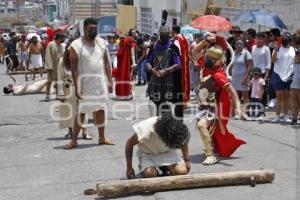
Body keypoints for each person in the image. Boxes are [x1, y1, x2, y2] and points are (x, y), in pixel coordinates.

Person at [191, 33, 246, 165]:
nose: (208, 59)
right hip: (204, 105)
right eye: (207, 56)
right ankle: (213, 149)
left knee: (201, 125)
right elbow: (194, 52)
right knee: (207, 130)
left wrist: (238, 107)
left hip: (214, 108)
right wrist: (206, 40)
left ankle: (211, 155)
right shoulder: (207, 65)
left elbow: (232, 92)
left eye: (211, 58)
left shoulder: (219, 75)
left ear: (220, 61)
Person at [65, 18, 114, 149]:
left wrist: (110, 81)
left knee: (101, 109)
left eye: (95, 28)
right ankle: (74, 140)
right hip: (84, 84)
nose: (93, 31)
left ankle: (102, 138)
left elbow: (107, 64)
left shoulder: (102, 43)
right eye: (90, 28)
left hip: (99, 83)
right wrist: (77, 87)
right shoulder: (76, 45)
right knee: (81, 112)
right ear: (84, 29)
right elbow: (74, 69)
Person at [125, 113, 190, 179]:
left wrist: (187, 160)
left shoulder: (175, 127)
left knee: (182, 172)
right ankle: (151, 169)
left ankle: (166, 166)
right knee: (150, 174)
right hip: (148, 153)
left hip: (167, 152)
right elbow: (129, 144)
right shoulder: (146, 129)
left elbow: (183, 142)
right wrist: (129, 167)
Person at [56, 39, 92, 140]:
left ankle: (85, 131)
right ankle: (70, 131)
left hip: (80, 87)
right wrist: (61, 93)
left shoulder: (81, 60)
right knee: (68, 111)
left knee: (82, 110)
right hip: (68, 88)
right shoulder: (62, 61)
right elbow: (59, 78)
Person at [146, 26, 182, 118]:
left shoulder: (173, 47)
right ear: (159, 35)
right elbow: (148, 62)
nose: (164, 37)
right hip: (154, 81)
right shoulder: (154, 47)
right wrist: (152, 70)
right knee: (154, 103)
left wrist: (165, 71)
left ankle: (165, 124)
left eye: (166, 35)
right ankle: (156, 123)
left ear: (169, 35)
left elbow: (178, 64)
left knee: (165, 104)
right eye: (162, 35)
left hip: (167, 81)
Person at [271, 32, 295, 123]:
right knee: (279, 96)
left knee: (287, 96)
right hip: (278, 74)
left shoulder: (293, 49)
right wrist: (276, 48)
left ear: (290, 41)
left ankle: (286, 115)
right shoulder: (277, 49)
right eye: (284, 40)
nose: (285, 42)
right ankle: (277, 115)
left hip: (289, 75)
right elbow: (273, 60)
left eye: (287, 40)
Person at [230, 39, 252, 119]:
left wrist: (246, 77)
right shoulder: (234, 53)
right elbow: (231, 65)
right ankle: (234, 113)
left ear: (243, 45)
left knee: (245, 97)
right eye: (237, 44)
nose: (239, 45)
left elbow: (250, 66)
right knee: (234, 96)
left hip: (243, 77)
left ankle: (245, 113)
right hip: (234, 78)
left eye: (240, 44)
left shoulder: (246, 53)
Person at [251, 32, 272, 116]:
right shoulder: (253, 48)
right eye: (257, 38)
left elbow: (268, 62)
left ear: (264, 39)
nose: (258, 40)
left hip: (262, 73)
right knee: (253, 93)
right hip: (254, 73)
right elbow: (251, 61)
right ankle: (253, 111)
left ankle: (262, 112)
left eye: (260, 38)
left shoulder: (266, 49)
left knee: (262, 93)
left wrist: (266, 75)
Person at [115, 29, 137, 100]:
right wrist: (133, 63)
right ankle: (130, 93)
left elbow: (119, 51)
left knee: (122, 76)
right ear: (133, 34)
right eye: (135, 33)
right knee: (131, 77)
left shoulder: (123, 40)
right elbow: (132, 52)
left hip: (122, 62)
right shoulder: (131, 41)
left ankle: (122, 94)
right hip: (129, 61)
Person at [172, 25, 190, 107]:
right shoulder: (183, 38)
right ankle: (185, 101)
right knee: (185, 81)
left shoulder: (177, 40)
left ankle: (182, 102)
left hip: (180, 64)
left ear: (174, 31)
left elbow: (177, 53)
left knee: (180, 82)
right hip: (185, 63)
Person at [44, 32, 66, 101]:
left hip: (58, 67)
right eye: (62, 38)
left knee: (57, 81)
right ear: (59, 38)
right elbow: (48, 55)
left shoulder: (60, 45)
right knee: (49, 81)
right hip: (51, 66)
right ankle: (47, 95)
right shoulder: (51, 44)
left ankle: (57, 95)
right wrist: (49, 67)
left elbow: (62, 56)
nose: (63, 39)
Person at [290, 48, 300, 125]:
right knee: (294, 104)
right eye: (297, 55)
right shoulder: (293, 64)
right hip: (293, 87)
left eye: (299, 55)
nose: (297, 56)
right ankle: (294, 118)